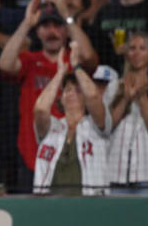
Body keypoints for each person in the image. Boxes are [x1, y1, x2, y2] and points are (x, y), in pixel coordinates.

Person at [0, 0, 98, 191]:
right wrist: (27, 24)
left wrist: (66, 15)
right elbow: (4, 64)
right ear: (38, 33)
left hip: (70, 154)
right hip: (31, 154)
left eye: (57, 26)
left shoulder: (75, 61)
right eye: (45, 26)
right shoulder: (29, 60)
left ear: (66, 31)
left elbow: (90, 57)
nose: (52, 32)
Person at [33, 42, 110, 196]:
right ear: (60, 98)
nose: (72, 94)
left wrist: (77, 67)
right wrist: (60, 72)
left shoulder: (96, 126)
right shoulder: (52, 127)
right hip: (48, 206)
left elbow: (94, 96)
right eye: (67, 89)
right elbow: (40, 109)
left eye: (78, 90)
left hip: (89, 206)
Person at [107, 33, 148, 194]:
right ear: (126, 54)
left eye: (142, 48)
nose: (137, 52)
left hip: (147, 173)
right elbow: (106, 127)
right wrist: (125, 99)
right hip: (116, 173)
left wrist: (141, 95)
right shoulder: (114, 86)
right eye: (132, 48)